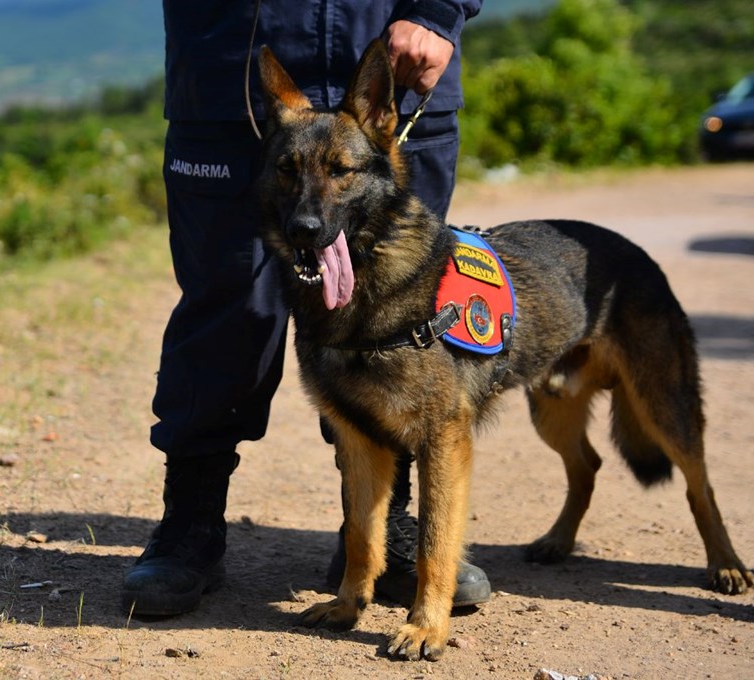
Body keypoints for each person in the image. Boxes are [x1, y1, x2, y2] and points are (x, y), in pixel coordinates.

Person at [121, 0, 490, 617]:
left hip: (394, 62)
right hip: (234, 69)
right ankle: (191, 521)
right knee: (226, 310)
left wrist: (437, 11)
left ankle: (380, 532)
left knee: (395, 329)